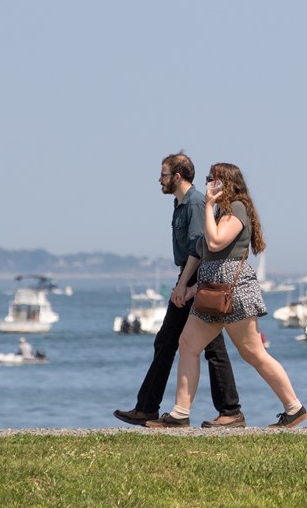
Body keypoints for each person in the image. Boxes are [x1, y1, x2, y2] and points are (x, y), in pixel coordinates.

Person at [146, 162, 307, 429]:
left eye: (212, 179)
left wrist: (208, 206)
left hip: (235, 294)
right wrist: (189, 288)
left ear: (226, 183)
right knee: (187, 344)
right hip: (212, 292)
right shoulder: (221, 212)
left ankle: (294, 408)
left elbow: (216, 242)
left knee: (254, 353)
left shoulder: (237, 210)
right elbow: (209, 258)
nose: (208, 183)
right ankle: (179, 414)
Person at [114, 152, 243, 428]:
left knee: (202, 346)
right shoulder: (180, 203)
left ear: (177, 176)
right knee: (182, 343)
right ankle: (152, 408)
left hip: (195, 275)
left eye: (162, 174)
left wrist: (184, 286)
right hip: (188, 275)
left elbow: (198, 250)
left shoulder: (195, 203)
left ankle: (226, 411)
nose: (158, 179)